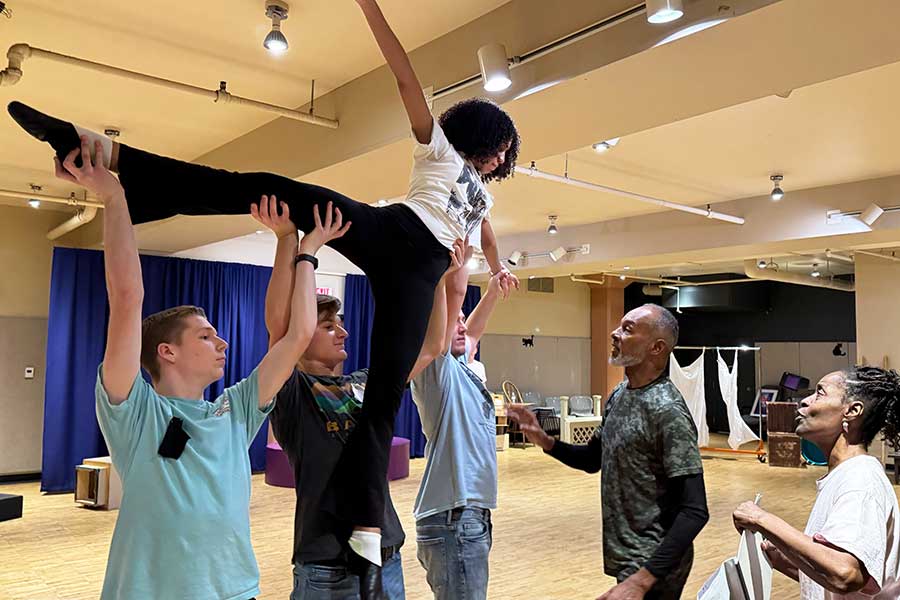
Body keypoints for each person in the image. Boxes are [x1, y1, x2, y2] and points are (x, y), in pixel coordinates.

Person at [7, 0, 520, 590]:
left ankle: (366, 526)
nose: (504, 157)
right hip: (392, 231)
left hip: (420, 271)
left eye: (508, 153)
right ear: (480, 135)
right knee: (276, 188)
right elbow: (404, 76)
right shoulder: (439, 151)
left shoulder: (484, 195)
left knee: (383, 400)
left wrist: (491, 268)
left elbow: (478, 234)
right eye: (501, 143)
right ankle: (121, 164)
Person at [56, 137, 345, 599]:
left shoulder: (236, 410)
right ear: (167, 352)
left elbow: (296, 336)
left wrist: (303, 246)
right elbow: (128, 300)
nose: (222, 341)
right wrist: (113, 197)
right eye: (206, 335)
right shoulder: (135, 412)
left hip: (235, 591)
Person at [256, 193, 465, 599]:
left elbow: (430, 347)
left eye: (341, 323)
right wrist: (293, 243)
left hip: (385, 552)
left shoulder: (365, 383)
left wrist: (438, 278)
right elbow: (281, 327)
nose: (343, 332)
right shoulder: (291, 390)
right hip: (325, 561)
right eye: (329, 325)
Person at [507, 304, 710, 600]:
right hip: (627, 557)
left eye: (627, 329)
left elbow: (695, 510)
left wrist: (642, 581)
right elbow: (593, 459)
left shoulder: (667, 411)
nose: (615, 334)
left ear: (656, 347)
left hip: (654, 565)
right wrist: (544, 440)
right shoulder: (620, 393)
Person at [732, 367, 900, 599]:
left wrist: (762, 520)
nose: (804, 402)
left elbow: (846, 574)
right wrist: (785, 556)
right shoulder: (846, 475)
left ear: (852, 410)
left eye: (820, 393)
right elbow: (838, 582)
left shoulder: (860, 480)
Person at [407, 262, 506, 600]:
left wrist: (492, 291)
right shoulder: (436, 371)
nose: (463, 327)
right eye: (455, 321)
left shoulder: (466, 368)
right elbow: (454, 294)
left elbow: (473, 332)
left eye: (464, 320)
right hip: (453, 519)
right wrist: (456, 258)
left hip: (470, 517)